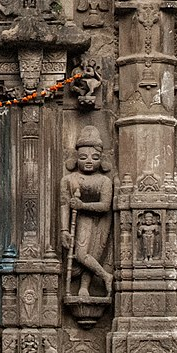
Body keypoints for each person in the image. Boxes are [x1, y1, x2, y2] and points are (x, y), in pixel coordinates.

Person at [60, 126, 114, 297]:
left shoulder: (104, 181)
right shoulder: (69, 179)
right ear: (76, 159)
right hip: (81, 220)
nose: (89, 161)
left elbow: (105, 205)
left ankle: (87, 286)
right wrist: (64, 230)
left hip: (99, 219)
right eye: (83, 157)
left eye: (95, 157)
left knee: (92, 254)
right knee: (81, 255)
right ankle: (105, 276)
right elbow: (64, 204)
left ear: (101, 159)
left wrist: (82, 205)